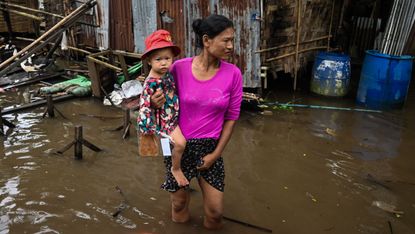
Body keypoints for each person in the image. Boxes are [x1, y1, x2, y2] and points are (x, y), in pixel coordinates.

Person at [151, 15, 243, 229]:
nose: (231, 46)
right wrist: (156, 103)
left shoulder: (233, 74)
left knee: (215, 212)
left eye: (232, 40)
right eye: (226, 40)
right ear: (206, 40)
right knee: (179, 203)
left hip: (210, 148)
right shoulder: (178, 68)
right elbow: (158, 102)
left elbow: (231, 118)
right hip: (174, 145)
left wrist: (215, 155)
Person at [137, 29, 189, 187]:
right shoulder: (150, 82)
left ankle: (168, 163)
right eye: (158, 59)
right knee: (181, 144)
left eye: (167, 58)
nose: (164, 63)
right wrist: (147, 131)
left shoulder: (167, 73)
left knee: (167, 148)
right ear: (149, 61)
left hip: (172, 117)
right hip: (164, 122)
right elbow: (144, 106)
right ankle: (175, 168)